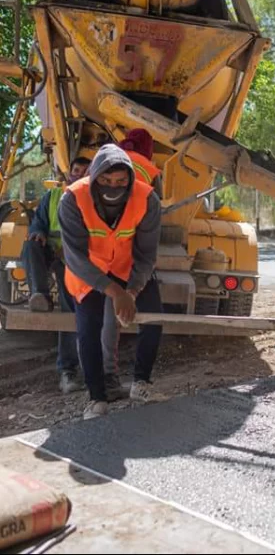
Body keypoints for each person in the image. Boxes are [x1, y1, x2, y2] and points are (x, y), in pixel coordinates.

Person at [58, 144, 163, 419]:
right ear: (93, 177)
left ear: (130, 179)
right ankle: (97, 398)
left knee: (153, 318)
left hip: (128, 267)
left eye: (120, 181)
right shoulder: (72, 199)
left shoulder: (147, 199)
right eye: (105, 180)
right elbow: (75, 257)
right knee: (88, 327)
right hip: (88, 271)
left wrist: (134, 289)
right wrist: (114, 291)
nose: (112, 186)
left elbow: (147, 254)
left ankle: (141, 382)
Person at [22, 157, 90, 393]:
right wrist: (38, 233)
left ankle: (68, 371)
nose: (78, 175)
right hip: (50, 252)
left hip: (72, 261)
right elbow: (39, 222)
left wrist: (71, 252)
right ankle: (39, 295)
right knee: (30, 245)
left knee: (70, 308)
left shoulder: (93, 202)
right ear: (68, 173)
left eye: (84, 172)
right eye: (76, 171)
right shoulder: (52, 198)